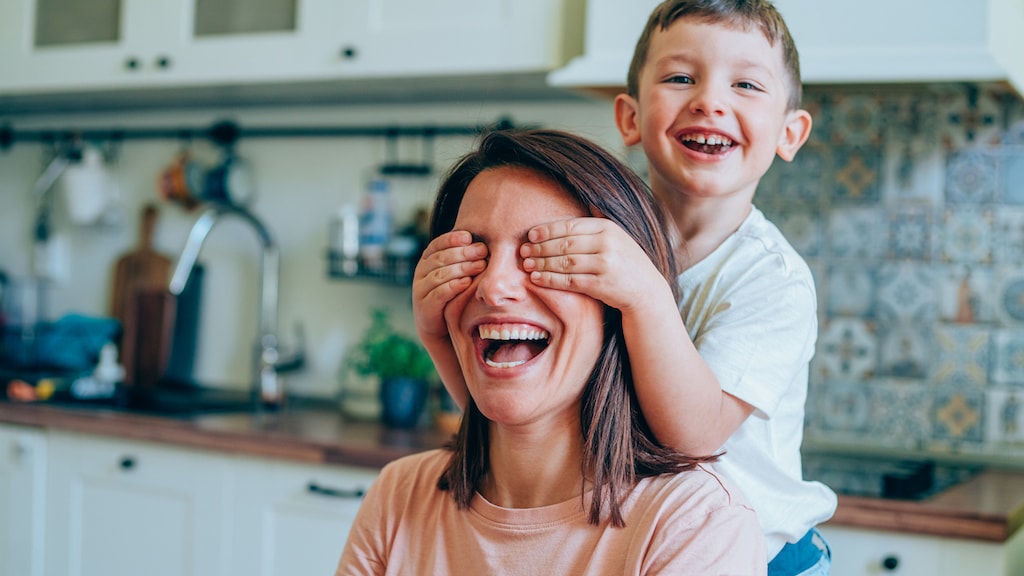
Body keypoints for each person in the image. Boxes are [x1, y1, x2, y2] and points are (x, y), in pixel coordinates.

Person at [411, 2, 837, 575]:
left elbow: (695, 438)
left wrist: (644, 295)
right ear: (630, 118)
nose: (710, 101)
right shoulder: (595, 234)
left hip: (766, 558)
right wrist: (438, 333)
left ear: (790, 133)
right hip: (640, 538)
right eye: (681, 77)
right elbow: (517, 414)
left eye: (746, 84)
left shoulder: (771, 280)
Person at [338, 129, 766, 575]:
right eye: (473, 253)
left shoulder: (695, 527)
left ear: (620, 307)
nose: (494, 287)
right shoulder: (399, 495)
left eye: (547, 256)